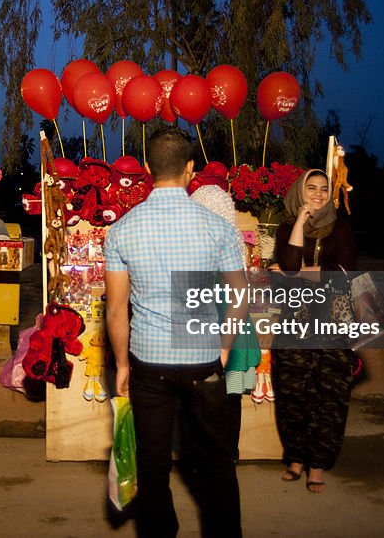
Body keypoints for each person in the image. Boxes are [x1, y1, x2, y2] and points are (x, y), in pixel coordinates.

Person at [105, 127, 248, 538]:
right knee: (217, 461)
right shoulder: (217, 227)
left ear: (149, 168)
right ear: (190, 169)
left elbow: (117, 309)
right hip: (203, 358)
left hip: (149, 362)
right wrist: (223, 349)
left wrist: (120, 365)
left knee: (153, 463)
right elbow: (239, 295)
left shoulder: (123, 229)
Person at [272, 169, 357, 493]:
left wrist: (295, 273)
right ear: (300, 192)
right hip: (294, 326)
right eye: (312, 188)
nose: (319, 194)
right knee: (293, 395)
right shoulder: (285, 228)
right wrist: (299, 222)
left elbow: (343, 273)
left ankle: (318, 463)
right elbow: (290, 263)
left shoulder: (340, 227)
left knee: (329, 397)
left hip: (332, 327)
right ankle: (295, 458)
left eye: (324, 189)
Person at [189, 184, 262, 461]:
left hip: (222, 326)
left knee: (219, 397)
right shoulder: (228, 239)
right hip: (227, 327)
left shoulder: (219, 241)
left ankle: (219, 454)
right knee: (224, 397)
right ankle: (224, 454)